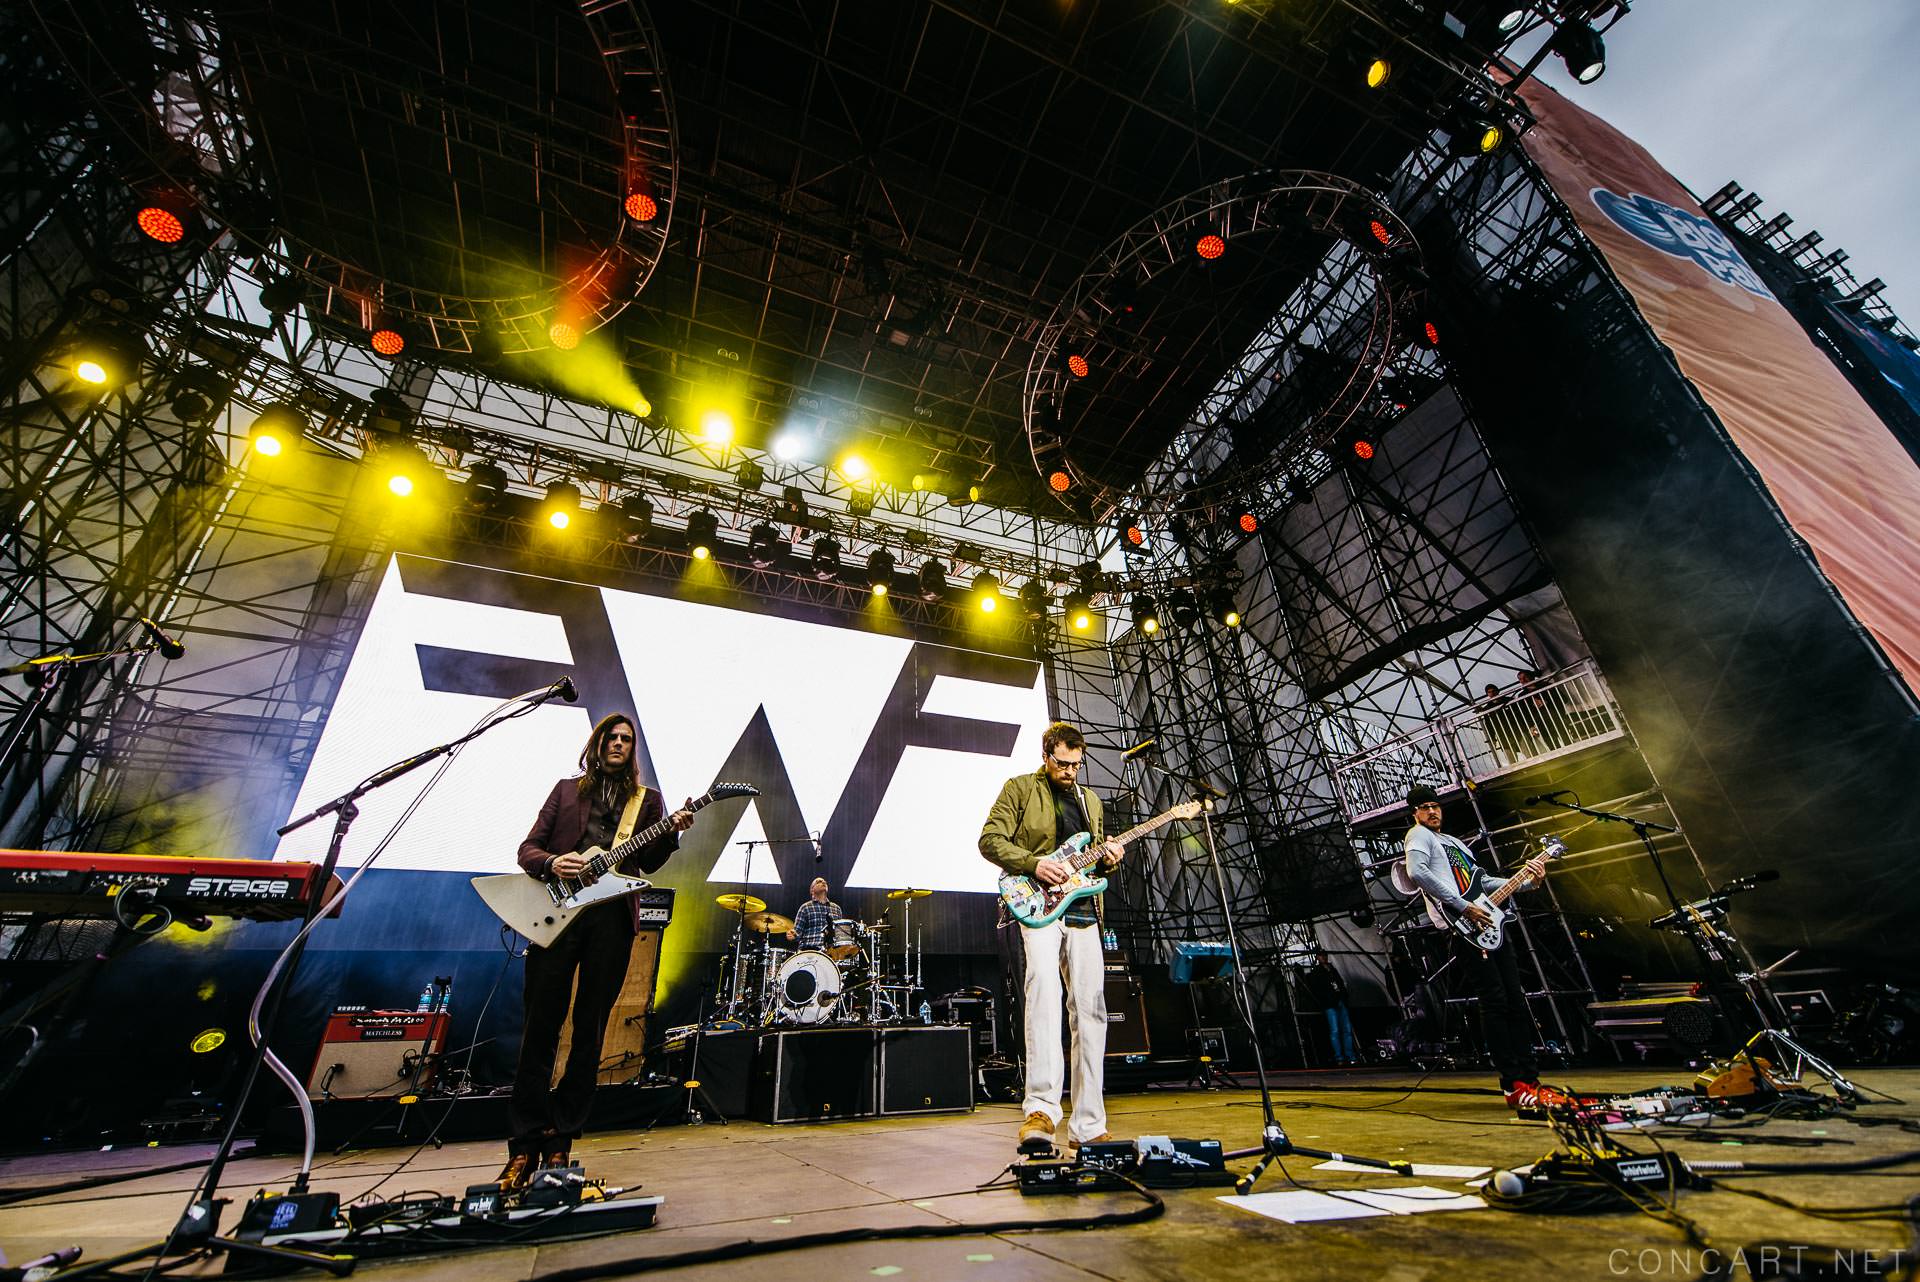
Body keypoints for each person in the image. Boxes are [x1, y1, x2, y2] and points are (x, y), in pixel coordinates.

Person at [499, 713, 695, 1188]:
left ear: (633, 751)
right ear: (597, 742)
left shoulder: (646, 802)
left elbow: (648, 861)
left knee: (591, 1031)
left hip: (611, 921)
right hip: (557, 919)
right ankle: (523, 1147)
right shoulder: (566, 790)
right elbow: (528, 849)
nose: (619, 744)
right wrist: (551, 862)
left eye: (627, 740)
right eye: (612, 737)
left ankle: (561, 1139)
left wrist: (672, 831)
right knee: (540, 1029)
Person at [980, 721, 1125, 1155]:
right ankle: (1041, 1110)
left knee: (1092, 1012)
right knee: (1042, 996)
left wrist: (1110, 859)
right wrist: (1034, 863)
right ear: (1047, 756)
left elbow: (1092, 863)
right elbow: (990, 840)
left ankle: (1089, 1123)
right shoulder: (1020, 788)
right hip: (1039, 909)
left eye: (1076, 765)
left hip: (1083, 912)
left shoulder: (1091, 801)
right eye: (1062, 763)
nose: (1070, 771)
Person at [1398, 784, 1564, 1111]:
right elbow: (1417, 872)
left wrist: (1530, 880)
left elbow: (1484, 883)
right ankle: (1512, 1084)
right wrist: (1461, 906)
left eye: (1436, 806)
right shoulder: (1419, 836)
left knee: (1515, 1001)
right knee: (1496, 1002)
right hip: (1465, 927)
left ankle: (1530, 1081)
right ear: (1415, 812)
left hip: (1488, 925)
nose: (1433, 811)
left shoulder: (1455, 844)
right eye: (1425, 807)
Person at [1301, 947, 1359, 1067]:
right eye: (1321, 956)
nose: (1324, 957)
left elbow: (1340, 984)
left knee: (1346, 1030)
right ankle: (1340, 1057)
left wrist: (1342, 997)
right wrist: (1330, 999)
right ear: (1317, 957)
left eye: (1324, 955)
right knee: (1335, 1030)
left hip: (1339, 1002)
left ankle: (1349, 1055)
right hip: (1330, 1004)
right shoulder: (1316, 972)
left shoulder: (1332, 969)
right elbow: (1317, 990)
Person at [786, 876, 841, 951]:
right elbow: (797, 934)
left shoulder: (836, 909)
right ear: (812, 890)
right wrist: (793, 935)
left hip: (831, 952)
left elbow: (839, 934)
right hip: (809, 951)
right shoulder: (805, 907)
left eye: (824, 882)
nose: (823, 882)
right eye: (818, 882)